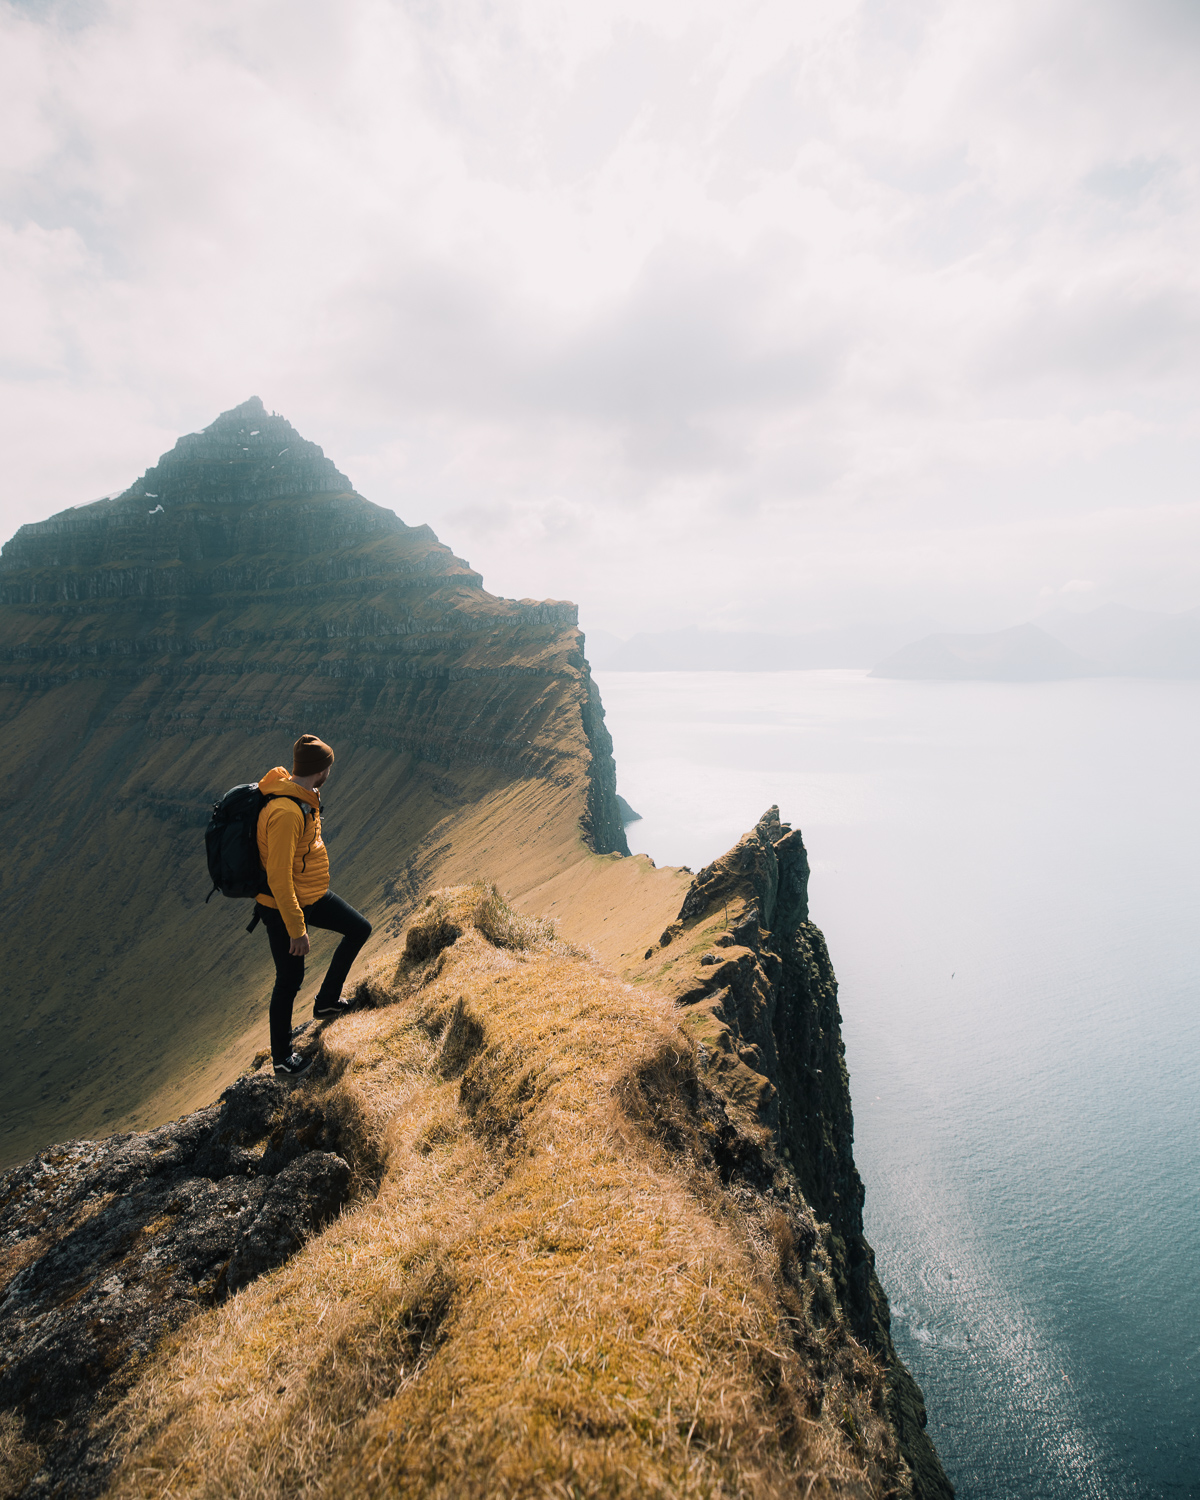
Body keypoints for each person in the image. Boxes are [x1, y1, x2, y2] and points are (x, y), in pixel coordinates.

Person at [257, 734, 372, 1078]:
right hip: (282, 906)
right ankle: (281, 1060)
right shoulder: (287, 811)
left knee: (358, 928)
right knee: (289, 980)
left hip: (309, 895)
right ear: (319, 769)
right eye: (329, 766)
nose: (330, 771)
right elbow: (278, 879)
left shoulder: (302, 797)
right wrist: (297, 929)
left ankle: (326, 1002)